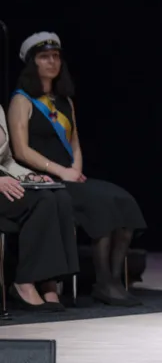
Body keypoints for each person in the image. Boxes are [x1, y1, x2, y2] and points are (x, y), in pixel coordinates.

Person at [8, 32, 148, 307]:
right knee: (101, 206)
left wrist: (76, 169)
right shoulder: (21, 100)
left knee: (122, 200)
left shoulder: (64, 101)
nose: (52, 62)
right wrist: (62, 172)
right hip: (45, 181)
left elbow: (75, 143)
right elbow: (21, 150)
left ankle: (114, 280)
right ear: (32, 63)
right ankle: (103, 282)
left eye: (56, 56)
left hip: (69, 177)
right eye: (44, 57)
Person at [0, 105, 79, 312]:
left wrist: (29, 176)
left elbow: (6, 161)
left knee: (59, 196)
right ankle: (24, 282)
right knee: (42, 200)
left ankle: (49, 281)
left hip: (5, 180)